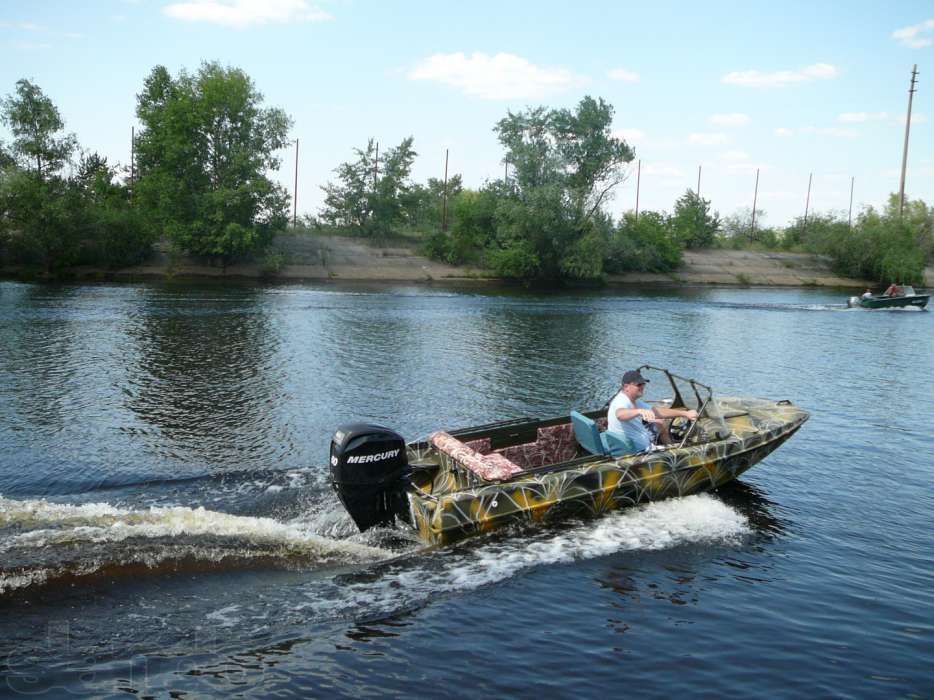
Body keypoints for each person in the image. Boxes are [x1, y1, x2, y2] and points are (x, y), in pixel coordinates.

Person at [607, 369, 699, 452]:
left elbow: (657, 412)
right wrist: (639, 411)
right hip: (641, 453)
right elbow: (620, 414)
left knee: (660, 423)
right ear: (626, 386)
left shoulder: (633, 400)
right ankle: (674, 452)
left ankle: (672, 449)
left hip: (640, 444)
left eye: (643, 384)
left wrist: (685, 413)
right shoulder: (621, 401)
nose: (642, 387)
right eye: (638, 385)